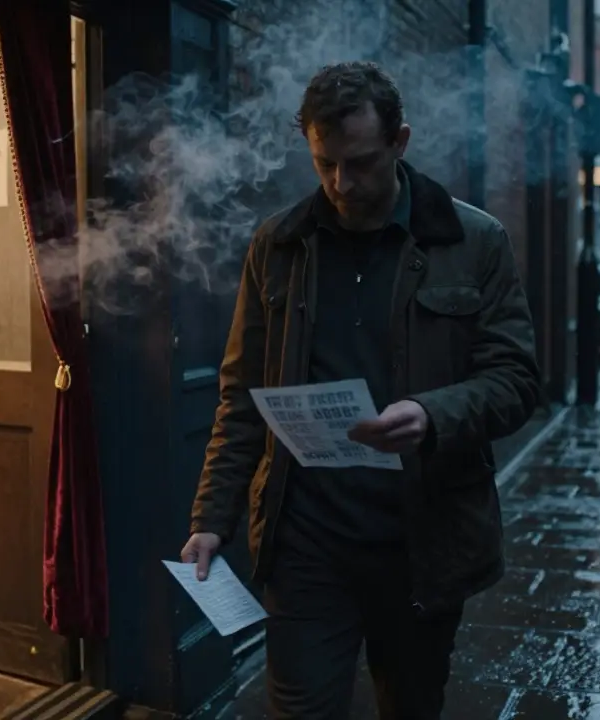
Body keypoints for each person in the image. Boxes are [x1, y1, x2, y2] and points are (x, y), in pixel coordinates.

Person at [180, 61, 541, 720]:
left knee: (409, 705)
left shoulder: (474, 240)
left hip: (422, 541)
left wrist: (430, 415)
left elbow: (517, 381)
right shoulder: (278, 245)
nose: (342, 183)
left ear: (399, 142)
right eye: (324, 165)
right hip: (305, 543)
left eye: (361, 162)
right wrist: (211, 519)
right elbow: (241, 397)